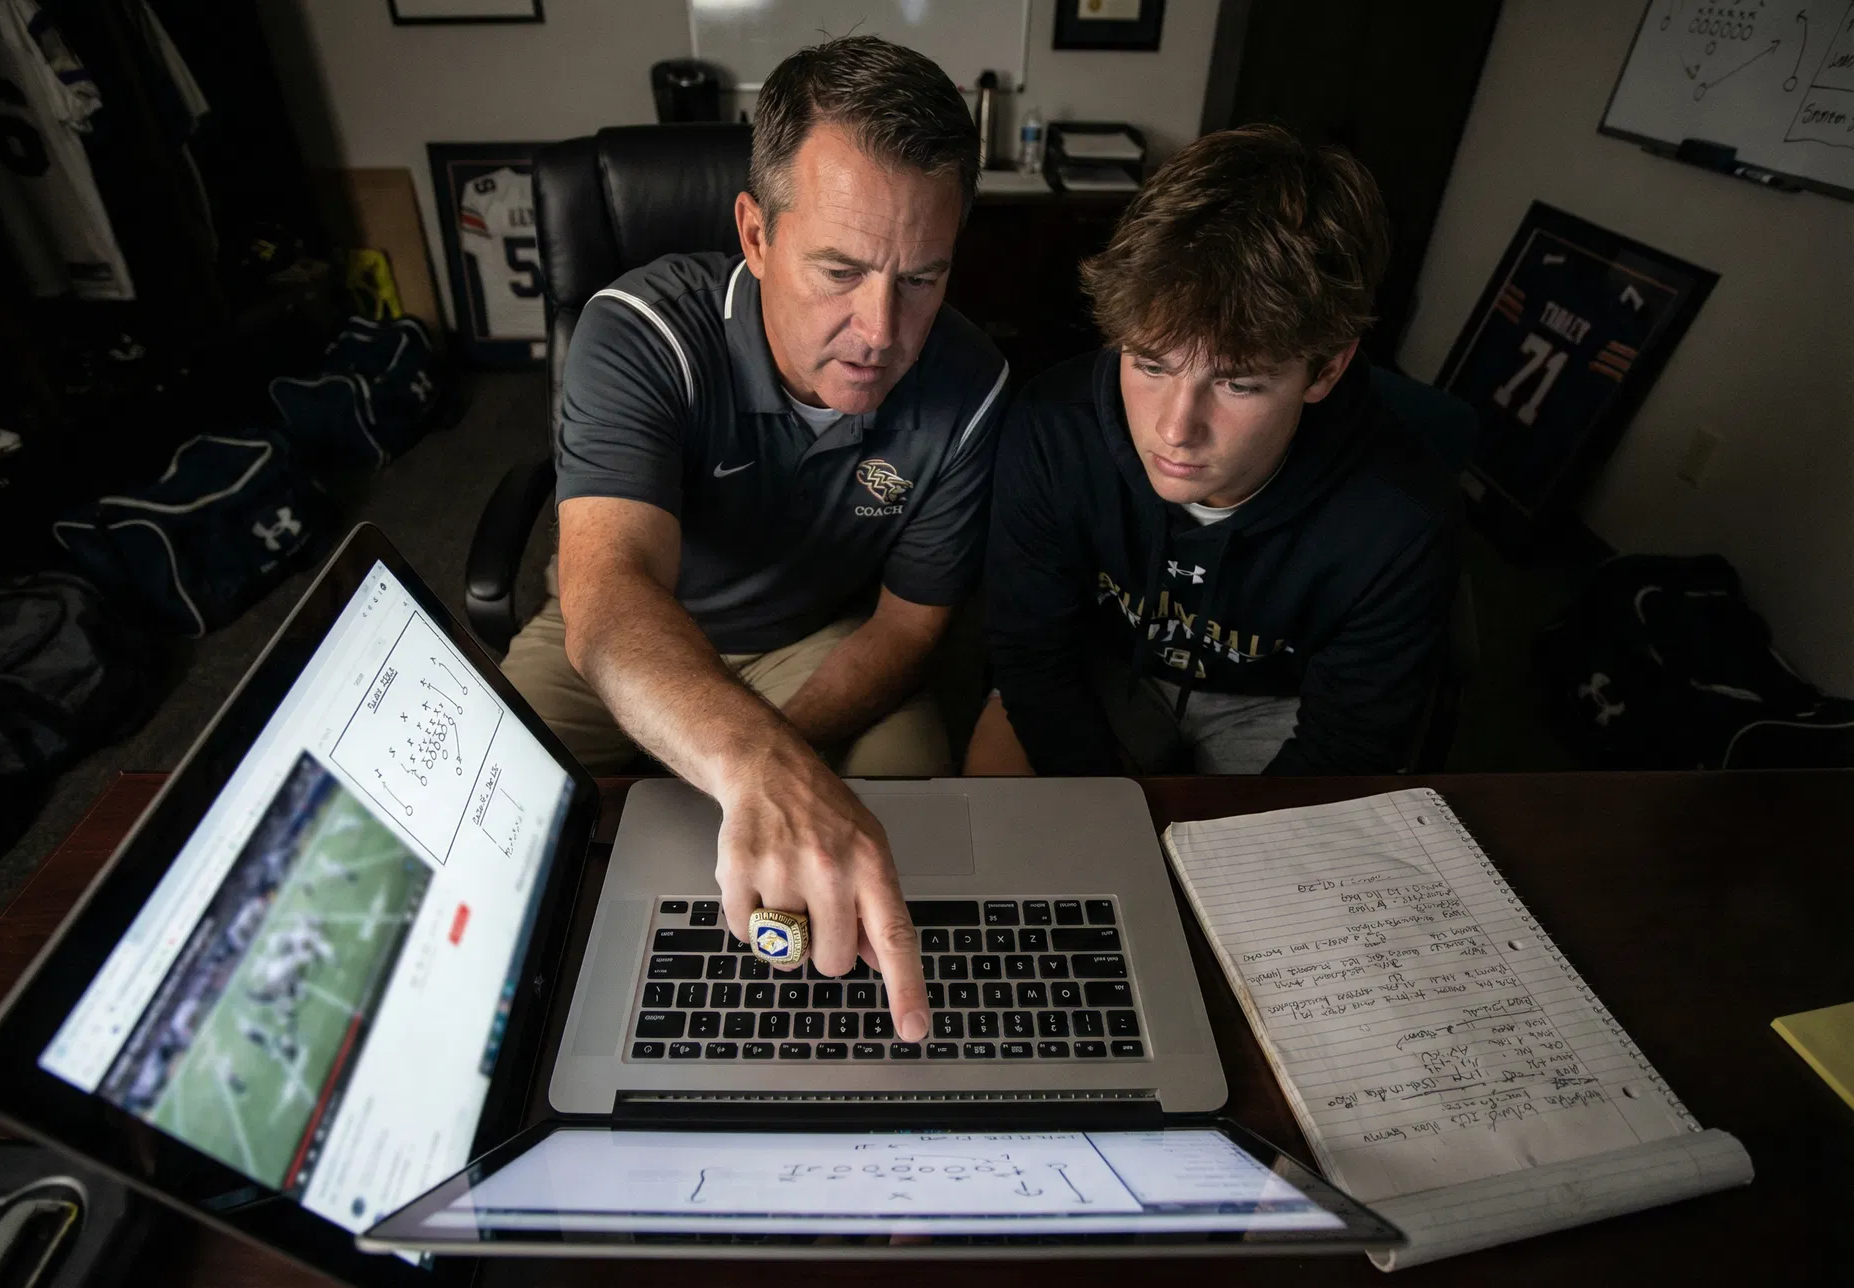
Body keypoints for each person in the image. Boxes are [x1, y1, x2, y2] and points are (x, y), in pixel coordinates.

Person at [501, 37, 1009, 1043]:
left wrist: (773, 762)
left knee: (899, 840)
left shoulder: (972, 382)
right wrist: (745, 768)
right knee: (484, 817)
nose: (878, 329)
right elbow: (609, 593)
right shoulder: (640, 329)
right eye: (840, 269)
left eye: (921, 278)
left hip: (824, 637)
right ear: (756, 233)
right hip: (637, 628)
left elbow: (909, 630)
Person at [967, 124, 1459, 779]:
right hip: (1102, 667)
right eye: (1149, 365)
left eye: (1236, 383)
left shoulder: (1401, 515)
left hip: (1280, 699)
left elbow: (1347, 749)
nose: (1175, 429)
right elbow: (1031, 654)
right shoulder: (1053, 430)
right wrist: (1108, 812)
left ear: (1326, 372)